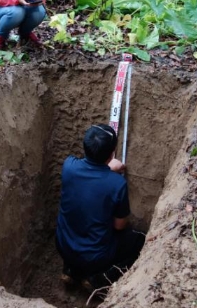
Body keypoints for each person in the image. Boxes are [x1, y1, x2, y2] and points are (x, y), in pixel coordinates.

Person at [55, 124, 146, 290]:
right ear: (112, 154)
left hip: (63, 246)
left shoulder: (68, 166)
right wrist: (110, 172)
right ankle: (99, 279)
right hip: (96, 258)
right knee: (140, 240)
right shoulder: (117, 184)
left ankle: (70, 270)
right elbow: (119, 225)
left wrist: (107, 170)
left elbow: (90, 177)